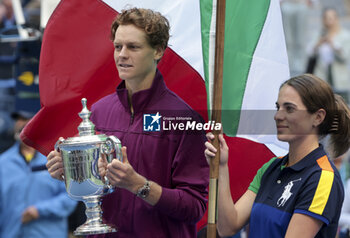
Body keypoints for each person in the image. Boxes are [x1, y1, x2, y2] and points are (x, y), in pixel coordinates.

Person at [46, 8, 209, 238]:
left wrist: (138, 185)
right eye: (118, 46)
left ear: (158, 51)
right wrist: (70, 170)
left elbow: (194, 207)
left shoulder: (183, 119)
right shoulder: (99, 112)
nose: (122, 55)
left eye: (133, 47)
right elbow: (96, 185)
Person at [205, 74, 350, 237]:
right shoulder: (271, 167)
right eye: (278, 107)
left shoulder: (323, 177)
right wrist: (221, 167)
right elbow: (228, 227)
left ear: (318, 117)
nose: (278, 116)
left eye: (289, 108)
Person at [0, 110, 77, 238]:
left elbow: (71, 195)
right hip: (12, 233)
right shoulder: (3, 162)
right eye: (18, 119)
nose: (21, 124)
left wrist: (39, 210)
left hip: (48, 233)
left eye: (27, 119)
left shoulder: (55, 158)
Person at [306, 8, 350, 94]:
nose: (328, 21)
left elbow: (345, 56)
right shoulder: (319, 34)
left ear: (336, 19)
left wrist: (333, 45)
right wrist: (318, 44)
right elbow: (310, 53)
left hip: (339, 79)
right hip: (321, 77)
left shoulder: (345, 35)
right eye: (325, 18)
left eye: (331, 18)